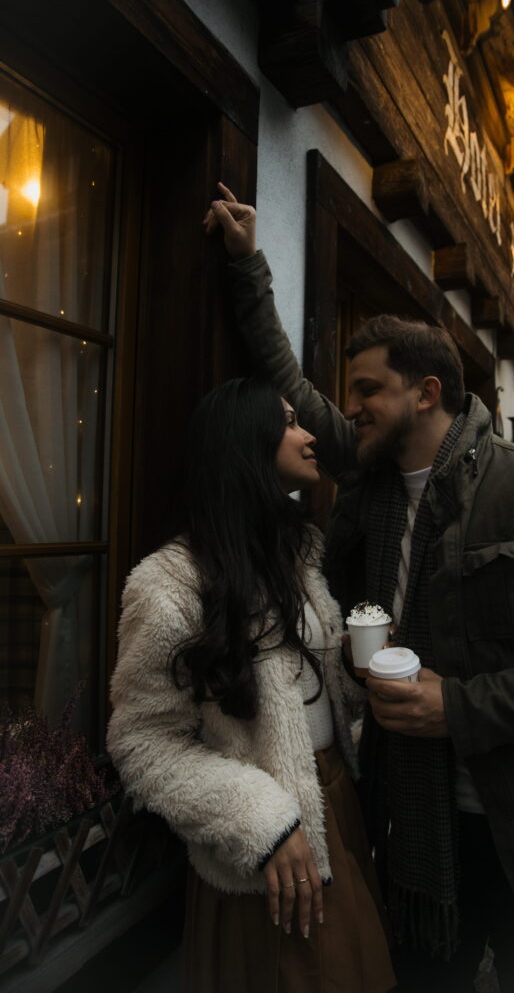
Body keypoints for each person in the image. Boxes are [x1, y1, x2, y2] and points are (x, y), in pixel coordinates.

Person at [204, 183, 514, 993]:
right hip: (416, 836)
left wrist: (460, 706)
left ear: (426, 393)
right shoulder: (372, 483)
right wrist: (248, 267)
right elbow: (290, 385)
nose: (348, 409)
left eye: (368, 391)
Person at [106, 378, 396, 993]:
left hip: (336, 807)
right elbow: (142, 743)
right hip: (264, 845)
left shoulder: (298, 554)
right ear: (246, 445)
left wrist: (352, 671)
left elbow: (303, 699)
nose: (310, 434)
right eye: (290, 422)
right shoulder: (168, 585)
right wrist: (260, 821)